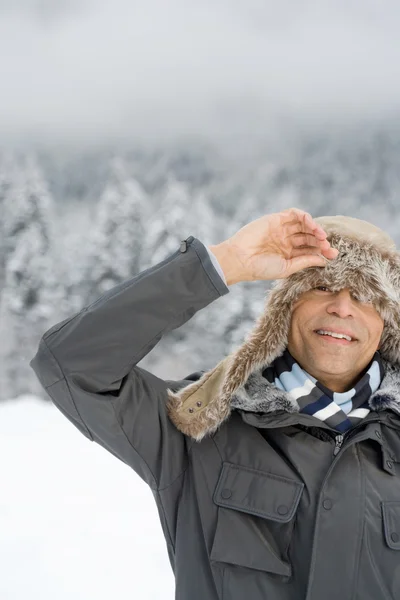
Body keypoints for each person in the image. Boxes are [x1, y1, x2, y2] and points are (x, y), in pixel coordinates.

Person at [30, 208, 400, 600]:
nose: (342, 307)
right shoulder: (196, 423)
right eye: (323, 287)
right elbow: (70, 364)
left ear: (386, 325)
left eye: (365, 297)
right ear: (285, 307)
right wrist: (225, 263)